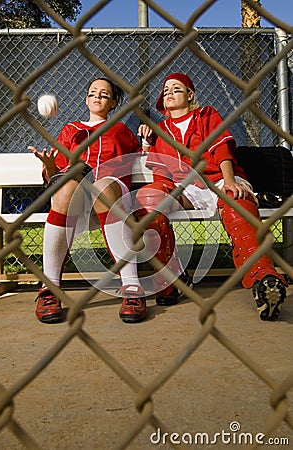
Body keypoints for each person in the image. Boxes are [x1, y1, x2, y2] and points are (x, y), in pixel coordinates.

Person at [136, 72, 287, 321]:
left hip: (218, 177)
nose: (169, 92)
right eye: (166, 90)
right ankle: (171, 277)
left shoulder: (206, 115)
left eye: (176, 88)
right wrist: (148, 149)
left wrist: (229, 181)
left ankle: (264, 279)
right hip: (185, 188)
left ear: (190, 95)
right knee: (149, 200)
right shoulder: (160, 130)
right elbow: (161, 173)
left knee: (237, 202)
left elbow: (221, 148)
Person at [29, 77, 147, 324]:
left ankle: (133, 288)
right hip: (76, 199)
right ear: (86, 99)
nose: (97, 97)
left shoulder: (120, 130)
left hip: (110, 194)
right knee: (66, 187)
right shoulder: (71, 129)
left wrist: (147, 140)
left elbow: (139, 157)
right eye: (93, 92)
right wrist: (51, 167)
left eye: (104, 94)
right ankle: (48, 288)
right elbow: (56, 175)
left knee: (103, 186)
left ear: (114, 102)